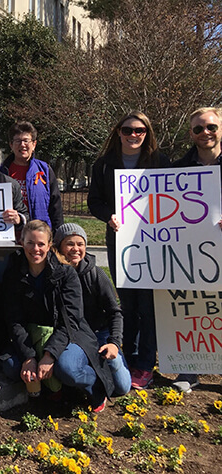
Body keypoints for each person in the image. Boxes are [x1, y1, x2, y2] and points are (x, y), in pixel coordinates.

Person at [87, 111, 170, 389]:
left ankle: (145, 363)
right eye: (127, 130)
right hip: (121, 243)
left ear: (147, 133)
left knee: (148, 306)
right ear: (118, 132)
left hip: (155, 242)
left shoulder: (161, 162)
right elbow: (94, 202)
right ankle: (128, 357)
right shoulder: (103, 165)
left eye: (139, 130)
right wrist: (108, 215)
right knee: (127, 303)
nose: (133, 135)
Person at [2, 220, 114, 411]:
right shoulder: (14, 273)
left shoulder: (66, 273)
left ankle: (95, 386)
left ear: (49, 245)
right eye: (30, 243)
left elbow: (71, 320)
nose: (35, 249)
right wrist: (29, 357)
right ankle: (54, 391)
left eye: (41, 244)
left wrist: (49, 355)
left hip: (69, 334)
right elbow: (14, 320)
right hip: (31, 335)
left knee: (67, 369)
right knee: (12, 368)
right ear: (22, 243)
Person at [170, 107, 222, 393]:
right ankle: (188, 370)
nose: (205, 133)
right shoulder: (178, 168)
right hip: (191, 251)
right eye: (199, 129)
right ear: (191, 133)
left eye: (211, 127)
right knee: (193, 307)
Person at [54, 223, 131, 396]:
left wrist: (114, 343)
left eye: (80, 244)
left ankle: (101, 363)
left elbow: (115, 313)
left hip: (100, 333)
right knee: (66, 370)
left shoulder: (95, 274)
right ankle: (94, 381)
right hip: (74, 336)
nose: (75, 249)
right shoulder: (54, 275)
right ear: (59, 246)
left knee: (122, 387)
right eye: (69, 244)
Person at [0, 121, 63, 230]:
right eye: (18, 141)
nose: (22, 145)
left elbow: (55, 207)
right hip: (10, 237)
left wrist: (59, 237)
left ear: (34, 144)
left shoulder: (44, 170)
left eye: (26, 141)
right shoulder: (1, 173)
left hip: (39, 238)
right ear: (11, 145)